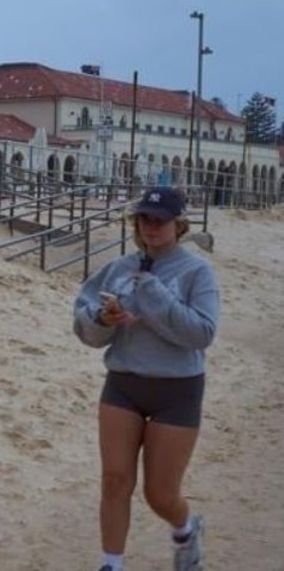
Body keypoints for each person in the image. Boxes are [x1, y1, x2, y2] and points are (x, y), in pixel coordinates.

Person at [72, 186, 220, 571]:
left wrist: (154, 296)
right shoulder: (119, 268)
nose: (151, 226)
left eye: (160, 220)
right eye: (144, 218)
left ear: (179, 224)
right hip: (123, 383)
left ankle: (186, 529)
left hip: (178, 389)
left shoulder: (196, 271)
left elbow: (202, 333)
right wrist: (102, 319)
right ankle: (111, 564)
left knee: (160, 494)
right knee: (115, 480)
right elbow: (85, 323)